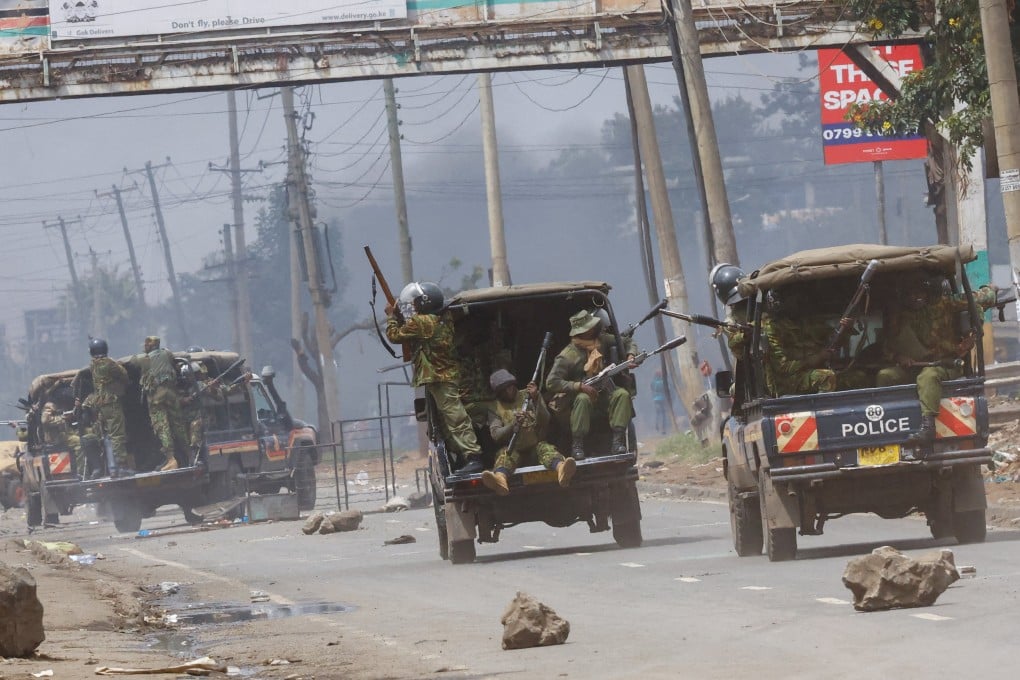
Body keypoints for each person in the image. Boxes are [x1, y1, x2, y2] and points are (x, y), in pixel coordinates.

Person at [876, 273, 997, 445]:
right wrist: (899, 357)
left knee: (928, 376)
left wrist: (990, 289)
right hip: (915, 367)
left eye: (919, 292)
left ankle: (928, 427)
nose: (915, 297)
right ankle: (887, 423)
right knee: (885, 375)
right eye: (910, 293)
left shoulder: (945, 303)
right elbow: (887, 347)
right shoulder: (901, 317)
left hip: (947, 365)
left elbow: (982, 299)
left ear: (928, 292)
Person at [385, 282, 485, 475]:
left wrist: (391, 316)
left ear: (424, 303)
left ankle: (473, 456)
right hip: (446, 375)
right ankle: (463, 457)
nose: (413, 307)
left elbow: (394, 335)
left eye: (416, 303)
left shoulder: (422, 323)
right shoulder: (443, 317)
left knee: (455, 417)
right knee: (449, 418)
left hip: (439, 377)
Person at [546, 309, 638, 458]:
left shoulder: (601, 341)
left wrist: (631, 355)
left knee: (622, 395)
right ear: (582, 331)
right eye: (589, 327)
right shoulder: (567, 356)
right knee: (582, 399)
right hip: (578, 401)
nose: (594, 329)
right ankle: (577, 445)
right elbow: (552, 382)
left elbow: (626, 341)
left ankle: (618, 441)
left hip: (604, 394)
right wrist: (579, 386)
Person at [480, 369, 576, 496]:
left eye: (511, 387)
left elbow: (545, 419)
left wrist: (536, 399)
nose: (509, 391)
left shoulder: (528, 395)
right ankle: (500, 480)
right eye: (505, 389)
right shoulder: (495, 407)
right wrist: (512, 424)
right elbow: (496, 435)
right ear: (499, 393)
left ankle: (562, 470)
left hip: (535, 447)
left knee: (546, 449)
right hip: (514, 450)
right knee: (504, 456)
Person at [761, 289, 870, 396]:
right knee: (826, 376)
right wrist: (817, 358)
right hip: (788, 381)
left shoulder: (808, 323)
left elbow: (833, 341)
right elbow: (783, 368)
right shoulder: (772, 328)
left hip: (813, 373)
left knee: (859, 377)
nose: (798, 302)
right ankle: (826, 412)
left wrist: (845, 329)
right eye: (793, 298)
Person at [79, 337, 131, 476]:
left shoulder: (93, 365)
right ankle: (122, 466)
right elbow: (124, 375)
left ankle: (112, 468)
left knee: (108, 436)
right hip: (112, 403)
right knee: (118, 435)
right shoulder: (109, 364)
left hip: (101, 405)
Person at [140, 336, 189, 471]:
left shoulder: (145, 359)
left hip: (157, 398)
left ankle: (171, 460)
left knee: (162, 427)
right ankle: (190, 455)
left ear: (148, 346)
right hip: (172, 396)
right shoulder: (167, 354)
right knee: (179, 425)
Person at [650, 370, 667, 434]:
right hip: (662, 399)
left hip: (655, 399)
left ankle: (656, 426)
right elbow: (665, 389)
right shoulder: (662, 382)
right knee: (663, 414)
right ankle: (663, 429)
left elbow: (652, 389)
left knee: (657, 413)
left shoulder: (653, 382)